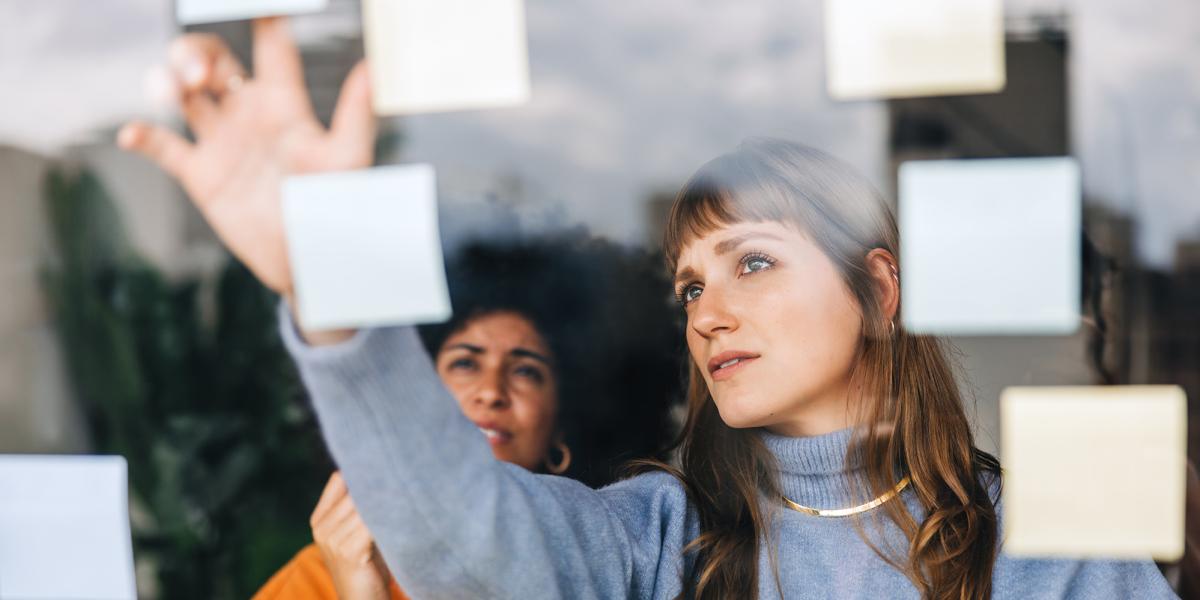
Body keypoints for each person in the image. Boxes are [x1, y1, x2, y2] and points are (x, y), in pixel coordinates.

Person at [120, 18, 1177, 598]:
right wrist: (329, 287)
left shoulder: (1037, 547)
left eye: (751, 264)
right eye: (688, 286)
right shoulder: (656, 543)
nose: (708, 311)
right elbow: (463, 538)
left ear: (880, 289)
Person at [251, 238, 683, 599]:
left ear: (561, 432)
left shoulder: (605, 570)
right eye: (465, 364)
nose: (492, 390)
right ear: (416, 396)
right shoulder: (310, 582)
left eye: (526, 371)